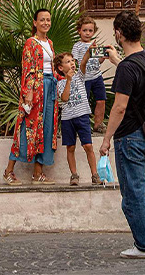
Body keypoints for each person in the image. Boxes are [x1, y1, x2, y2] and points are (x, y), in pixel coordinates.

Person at [99, 10, 145, 259]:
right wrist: (118, 61)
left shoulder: (127, 68)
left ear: (118, 33)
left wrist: (106, 140)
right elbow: (139, 81)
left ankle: (143, 246)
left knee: (133, 194)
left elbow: (120, 107)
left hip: (130, 138)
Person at [4, 9, 58, 185]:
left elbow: (53, 67)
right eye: (42, 20)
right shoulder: (31, 43)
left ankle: (38, 173)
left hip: (50, 88)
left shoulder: (49, 42)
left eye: (48, 20)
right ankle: (8, 171)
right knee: (27, 128)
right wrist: (28, 94)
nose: (45, 23)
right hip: (35, 89)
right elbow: (27, 69)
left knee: (47, 128)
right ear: (35, 23)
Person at [54, 48, 102, 186]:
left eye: (72, 60)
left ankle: (94, 174)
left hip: (82, 116)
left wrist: (90, 50)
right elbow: (64, 98)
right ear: (61, 67)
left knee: (88, 146)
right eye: (68, 62)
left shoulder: (80, 75)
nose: (72, 63)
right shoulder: (60, 83)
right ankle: (74, 175)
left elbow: (84, 62)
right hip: (67, 119)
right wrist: (68, 81)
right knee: (70, 147)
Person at [72, 15, 107, 133]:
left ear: (94, 31)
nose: (87, 33)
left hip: (97, 76)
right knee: (84, 102)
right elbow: (76, 62)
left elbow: (99, 62)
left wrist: (103, 56)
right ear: (79, 31)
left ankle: (98, 124)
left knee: (101, 100)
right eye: (85, 30)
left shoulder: (95, 44)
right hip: (84, 78)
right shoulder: (77, 46)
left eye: (90, 30)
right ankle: (84, 125)